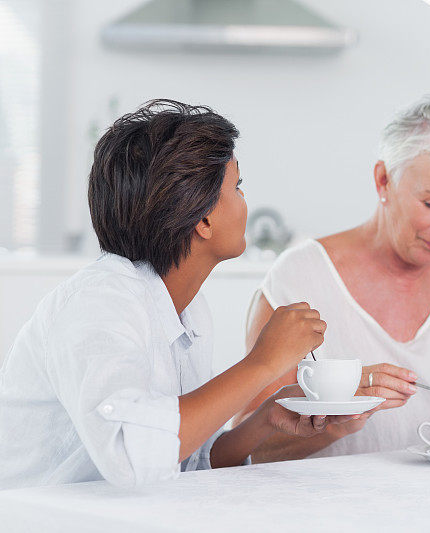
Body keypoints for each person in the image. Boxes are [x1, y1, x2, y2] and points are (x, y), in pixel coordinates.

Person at [0, 100, 353, 489]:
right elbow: (134, 458)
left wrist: (265, 419)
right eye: (236, 187)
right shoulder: (97, 304)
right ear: (202, 219)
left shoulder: (187, 309)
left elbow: (183, 459)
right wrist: (262, 363)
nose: (244, 201)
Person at [238, 95, 430, 460]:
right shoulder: (299, 280)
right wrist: (341, 416)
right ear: (383, 180)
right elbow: (248, 449)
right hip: (325, 510)